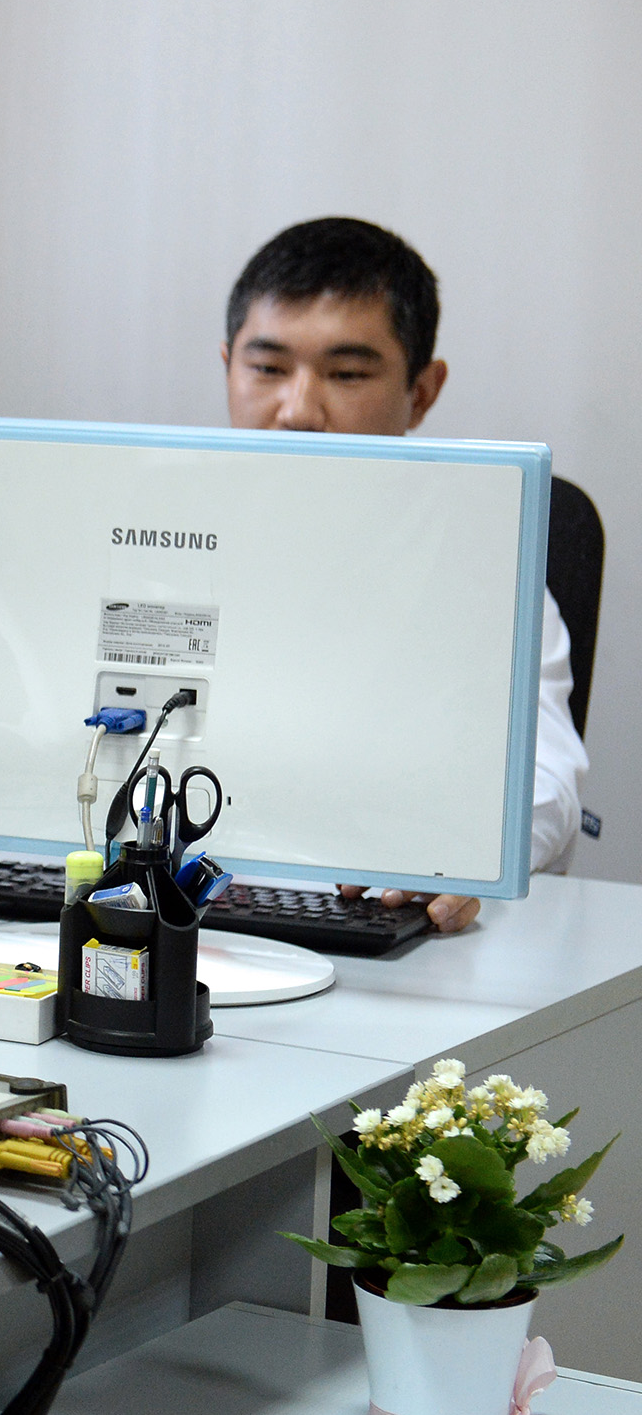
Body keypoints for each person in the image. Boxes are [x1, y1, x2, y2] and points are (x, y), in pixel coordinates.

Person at [221, 216, 589, 933]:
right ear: (227, 365)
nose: (298, 411)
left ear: (422, 391)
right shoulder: (142, 533)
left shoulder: (480, 567)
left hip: (363, 922)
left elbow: (546, 783)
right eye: (267, 368)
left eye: (347, 374)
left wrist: (454, 849)